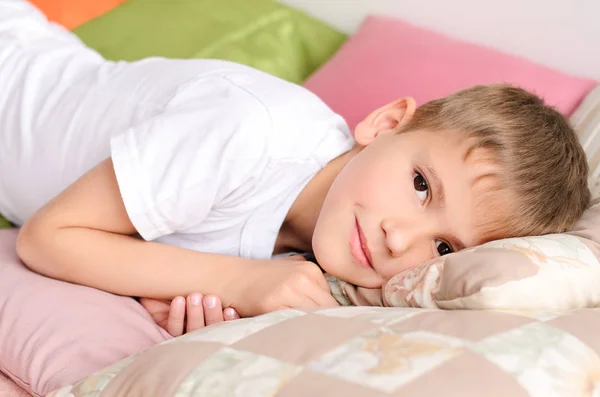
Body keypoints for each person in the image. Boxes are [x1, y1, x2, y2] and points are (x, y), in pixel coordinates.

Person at [1, 1, 591, 336]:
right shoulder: (253, 130)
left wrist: (181, 294)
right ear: (385, 124)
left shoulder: (311, 271)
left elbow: (150, 257)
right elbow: (49, 238)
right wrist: (236, 282)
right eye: (420, 185)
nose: (400, 237)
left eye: (443, 250)